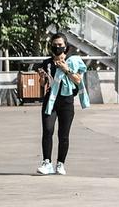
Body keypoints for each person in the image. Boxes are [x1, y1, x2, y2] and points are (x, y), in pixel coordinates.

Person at [36, 33, 89, 176]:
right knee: (47, 130)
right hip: (50, 101)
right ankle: (47, 162)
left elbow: (78, 80)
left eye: (60, 45)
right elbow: (43, 84)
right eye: (55, 44)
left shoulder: (73, 61)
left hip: (66, 102)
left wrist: (66, 69)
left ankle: (60, 163)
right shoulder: (46, 63)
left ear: (66, 47)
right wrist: (41, 77)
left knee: (63, 135)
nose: (57, 47)